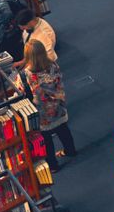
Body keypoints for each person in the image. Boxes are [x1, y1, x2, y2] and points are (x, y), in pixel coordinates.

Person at [24, 40, 75, 171]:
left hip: (44, 111)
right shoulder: (53, 64)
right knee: (63, 129)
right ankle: (70, 150)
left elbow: (38, 94)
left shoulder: (30, 73)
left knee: (46, 138)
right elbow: (58, 83)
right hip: (58, 104)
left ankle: (53, 165)